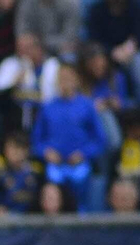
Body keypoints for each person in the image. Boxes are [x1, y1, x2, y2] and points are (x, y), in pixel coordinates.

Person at [33, 64, 108, 211]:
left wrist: (83, 154)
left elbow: (100, 140)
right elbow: (36, 141)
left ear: (76, 80)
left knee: (82, 182)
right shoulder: (48, 107)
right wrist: (46, 152)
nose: (64, 82)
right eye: (61, 78)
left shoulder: (87, 106)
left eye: (68, 77)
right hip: (55, 166)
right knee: (52, 184)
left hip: (80, 166)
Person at [17, 0, 83, 61]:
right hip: (35, 48)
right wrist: (32, 43)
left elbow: (70, 38)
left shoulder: (69, 5)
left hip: (61, 50)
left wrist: (41, 43)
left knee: (69, 55)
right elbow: (22, 33)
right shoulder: (27, 4)